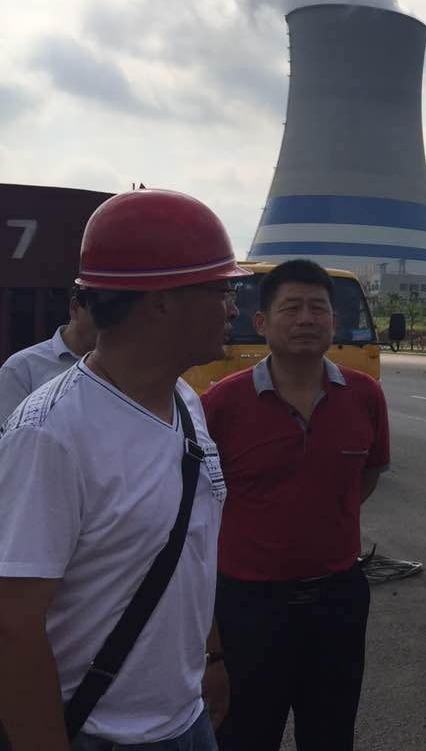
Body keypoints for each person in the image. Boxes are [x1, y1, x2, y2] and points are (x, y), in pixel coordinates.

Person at [0, 187, 244, 751]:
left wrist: (211, 656)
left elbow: (188, 545)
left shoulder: (185, 401)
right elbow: (12, 624)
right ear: (160, 302)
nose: (233, 307)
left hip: (187, 720)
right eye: (221, 290)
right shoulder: (51, 434)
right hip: (99, 734)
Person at [200, 259, 389, 751]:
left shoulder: (365, 396)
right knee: (244, 734)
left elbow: (365, 476)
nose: (306, 318)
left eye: (318, 308)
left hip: (337, 601)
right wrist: (211, 645)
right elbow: (198, 510)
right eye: (291, 308)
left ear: (334, 321)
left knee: (331, 734)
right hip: (249, 605)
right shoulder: (221, 403)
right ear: (261, 322)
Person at [0, 285, 98, 419]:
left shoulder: (123, 367)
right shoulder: (22, 368)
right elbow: (7, 430)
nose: (115, 327)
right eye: (104, 315)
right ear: (75, 308)